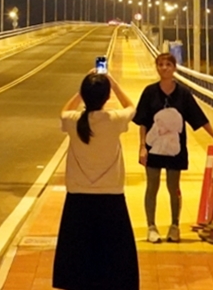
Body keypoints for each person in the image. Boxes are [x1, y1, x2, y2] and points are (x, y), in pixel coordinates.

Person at [52, 70, 139, 290]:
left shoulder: (73, 121)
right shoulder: (114, 120)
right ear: (106, 97)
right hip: (111, 197)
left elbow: (64, 111)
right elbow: (132, 107)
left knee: (78, 256)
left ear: (85, 94)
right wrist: (114, 83)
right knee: (113, 258)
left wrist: (80, 93)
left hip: (78, 198)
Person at [133, 51, 213, 243]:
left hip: (176, 150)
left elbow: (198, 117)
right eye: (160, 65)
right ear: (157, 67)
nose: (164, 68)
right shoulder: (149, 92)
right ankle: (151, 227)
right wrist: (142, 147)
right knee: (152, 186)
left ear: (174, 68)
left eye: (168, 65)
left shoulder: (183, 94)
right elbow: (143, 122)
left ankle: (174, 226)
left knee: (174, 187)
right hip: (153, 149)